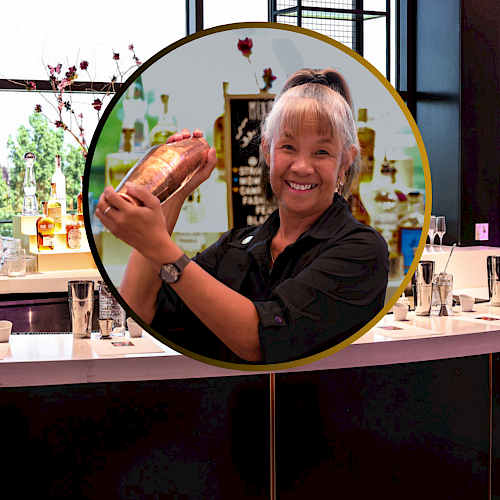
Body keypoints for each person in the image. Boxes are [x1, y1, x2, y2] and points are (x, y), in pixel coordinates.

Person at [96, 67, 389, 365]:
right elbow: (139, 312)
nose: (301, 166)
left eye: (322, 152)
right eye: (288, 147)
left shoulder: (361, 250)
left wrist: (159, 247)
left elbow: (260, 341)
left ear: (345, 161)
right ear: (267, 150)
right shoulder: (236, 246)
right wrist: (175, 188)